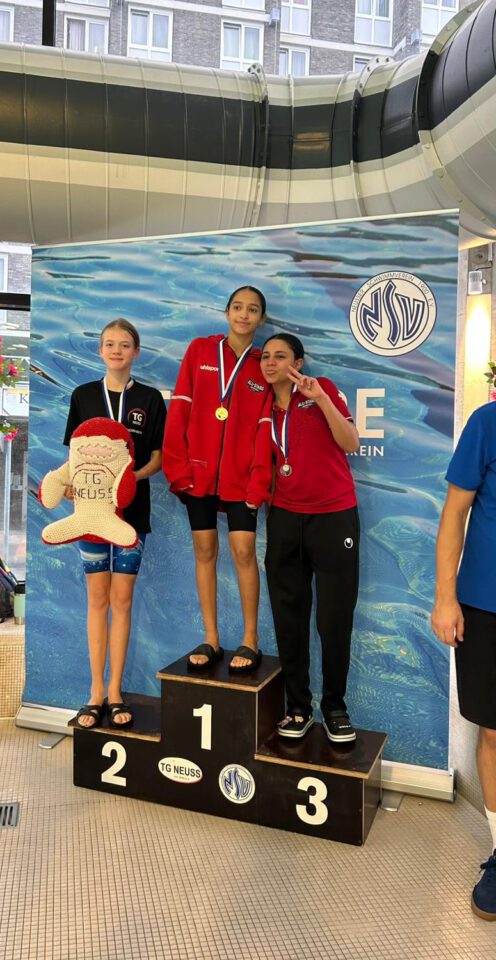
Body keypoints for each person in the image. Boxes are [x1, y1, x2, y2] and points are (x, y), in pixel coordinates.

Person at [162, 286, 272, 673]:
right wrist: (178, 470)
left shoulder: (263, 363)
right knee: (205, 549)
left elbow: (265, 430)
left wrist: (258, 482)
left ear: (261, 319)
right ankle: (211, 637)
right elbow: (179, 409)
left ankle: (250, 639)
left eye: (252, 310)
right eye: (238, 307)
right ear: (227, 312)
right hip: (199, 475)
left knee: (243, 551)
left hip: (241, 479)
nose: (244, 315)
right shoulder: (201, 351)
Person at [63, 318, 166, 729]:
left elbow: (158, 458)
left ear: (135, 352)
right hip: (90, 514)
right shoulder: (84, 395)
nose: (117, 350)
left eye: (124, 345)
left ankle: (116, 690)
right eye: (109, 344)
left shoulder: (150, 399)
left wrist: (129, 480)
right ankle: (94, 692)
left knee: (122, 600)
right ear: (100, 350)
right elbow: (74, 456)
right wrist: (69, 483)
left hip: (131, 514)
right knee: (97, 598)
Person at [260, 333, 360, 743]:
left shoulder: (322, 390)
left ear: (297, 363)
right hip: (285, 519)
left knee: (334, 619)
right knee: (289, 618)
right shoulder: (262, 407)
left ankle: (335, 707)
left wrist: (320, 399)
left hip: (333, 517)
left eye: (280, 356)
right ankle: (298, 708)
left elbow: (351, 442)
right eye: (265, 356)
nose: (270, 362)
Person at [431, 400, 496, 920]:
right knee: (494, 732)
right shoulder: (487, 423)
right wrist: (444, 597)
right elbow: (455, 511)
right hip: (485, 603)